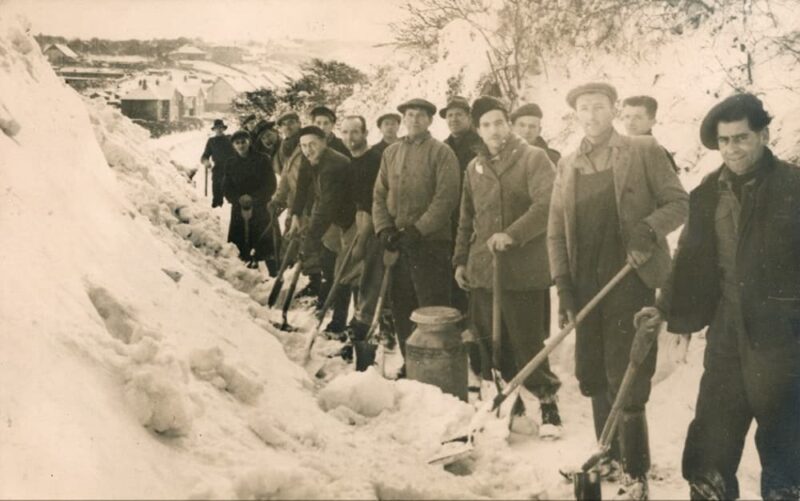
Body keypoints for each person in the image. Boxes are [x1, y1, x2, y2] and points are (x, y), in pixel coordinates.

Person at [635, 93, 800, 501]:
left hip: (784, 330)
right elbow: (689, 256)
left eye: (741, 138)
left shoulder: (793, 186)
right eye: (725, 141)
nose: (733, 149)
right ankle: (710, 491)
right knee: (714, 427)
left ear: (764, 134)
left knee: (786, 433)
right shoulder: (708, 190)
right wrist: (663, 305)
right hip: (728, 324)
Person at [548, 82, 688, 499]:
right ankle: (605, 454)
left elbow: (679, 203)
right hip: (587, 282)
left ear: (614, 110)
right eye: (583, 109)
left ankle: (635, 472)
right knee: (592, 372)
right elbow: (556, 232)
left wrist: (648, 229)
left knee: (626, 376)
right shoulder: (568, 164)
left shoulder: (643, 152)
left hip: (631, 279)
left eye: (599, 107)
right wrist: (564, 287)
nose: (591, 115)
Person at [454, 96, 562, 436]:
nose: (494, 130)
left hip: (523, 270)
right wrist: (460, 260)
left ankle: (548, 404)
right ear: (478, 129)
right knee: (488, 341)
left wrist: (512, 235)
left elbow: (548, 205)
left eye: (499, 122)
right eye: (486, 124)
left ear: (509, 124)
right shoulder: (474, 167)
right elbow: (466, 218)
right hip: (484, 268)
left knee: (526, 340)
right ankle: (508, 403)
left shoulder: (533, 158)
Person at [372, 98, 459, 361]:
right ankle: (411, 363)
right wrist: (384, 229)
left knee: (431, 307)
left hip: (430, 244)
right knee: (402, 306)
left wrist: (419, 229)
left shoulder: (442, 153)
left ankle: (436, 365)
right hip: (398, 243)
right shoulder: (391, 153)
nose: (414, 120)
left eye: (421, 116)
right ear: (403, 120)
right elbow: (379, 194)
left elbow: (446, 199)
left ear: (430, 120)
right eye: (409, 115)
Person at [291, 126, 357, 333]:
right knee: (329, 267)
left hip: (351, 221)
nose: (308, 149)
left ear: (324, 142)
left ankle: (343, 323)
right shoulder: (309, 158)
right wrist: (295, 214)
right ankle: (330, 314)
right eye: (303, 145)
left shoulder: (334, 165)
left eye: (312, 144)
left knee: (345, 273)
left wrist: (309, 240)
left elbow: (327, 207)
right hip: (333, 222)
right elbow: (301, 187)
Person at [336, 115, 385, 365]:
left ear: (365, 133)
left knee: (369, 281)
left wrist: (363, 239)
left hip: (375, 225)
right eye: (345, 132)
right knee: (357, 279)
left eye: (355, 132)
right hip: (359, 222)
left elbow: (372, 204)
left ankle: (367, 339)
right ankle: (358, 333)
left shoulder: (374, 160)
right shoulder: (350, 162)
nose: (349, 138)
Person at [223, 130, 277, 273]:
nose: (241, 145)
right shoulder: (230, 163)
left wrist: (254, 198)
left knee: (265, 242)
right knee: (241, 244)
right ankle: (248, 274)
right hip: (239, 209)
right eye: (237, 143)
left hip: (261, 207)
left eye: (244, 142)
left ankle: (275, 273)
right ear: (233, 145)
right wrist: (238, 199)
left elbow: (271, 185)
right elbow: (227, 187)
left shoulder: (263, 159)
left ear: (249, 142)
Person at [620, 95, 679, 172]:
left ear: (652, 121)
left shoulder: (657, 155)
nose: (630, 122)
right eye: (627, 117)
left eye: (638, 117)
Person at [200, 119, 235, 208]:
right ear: (214, 130)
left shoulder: (230, 139)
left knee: (231, 190)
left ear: (224, 129)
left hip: (230, 168)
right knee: (217, 188)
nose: (219, 130)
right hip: (218, 168)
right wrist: (206, 161)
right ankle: (217, 206)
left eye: (221, 128)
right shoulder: (211, 141)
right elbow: (205, 155)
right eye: (217, 128)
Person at [274, 111, 301, 175]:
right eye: (284, 124)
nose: (287, 127)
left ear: (299, 124)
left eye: (291, 122)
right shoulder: (282, 146)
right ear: (280, 128)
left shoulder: (307, 139)